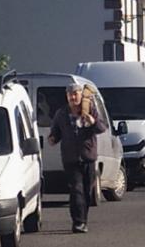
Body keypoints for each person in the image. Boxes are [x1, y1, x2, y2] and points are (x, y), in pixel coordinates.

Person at [48, 83, 107, 234]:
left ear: (81, 95)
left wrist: (92, 121)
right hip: (70, 159)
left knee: (87, 191)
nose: (73, 97)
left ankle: (83, 219)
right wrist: (52, 138)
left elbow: (101, 128)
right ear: (67, 96)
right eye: (70, 95)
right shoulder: (61, 113)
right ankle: (78, 223)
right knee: (76, 190)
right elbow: (55, 132)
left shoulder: (89, 109)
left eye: (75, 94)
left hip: (88, 157)